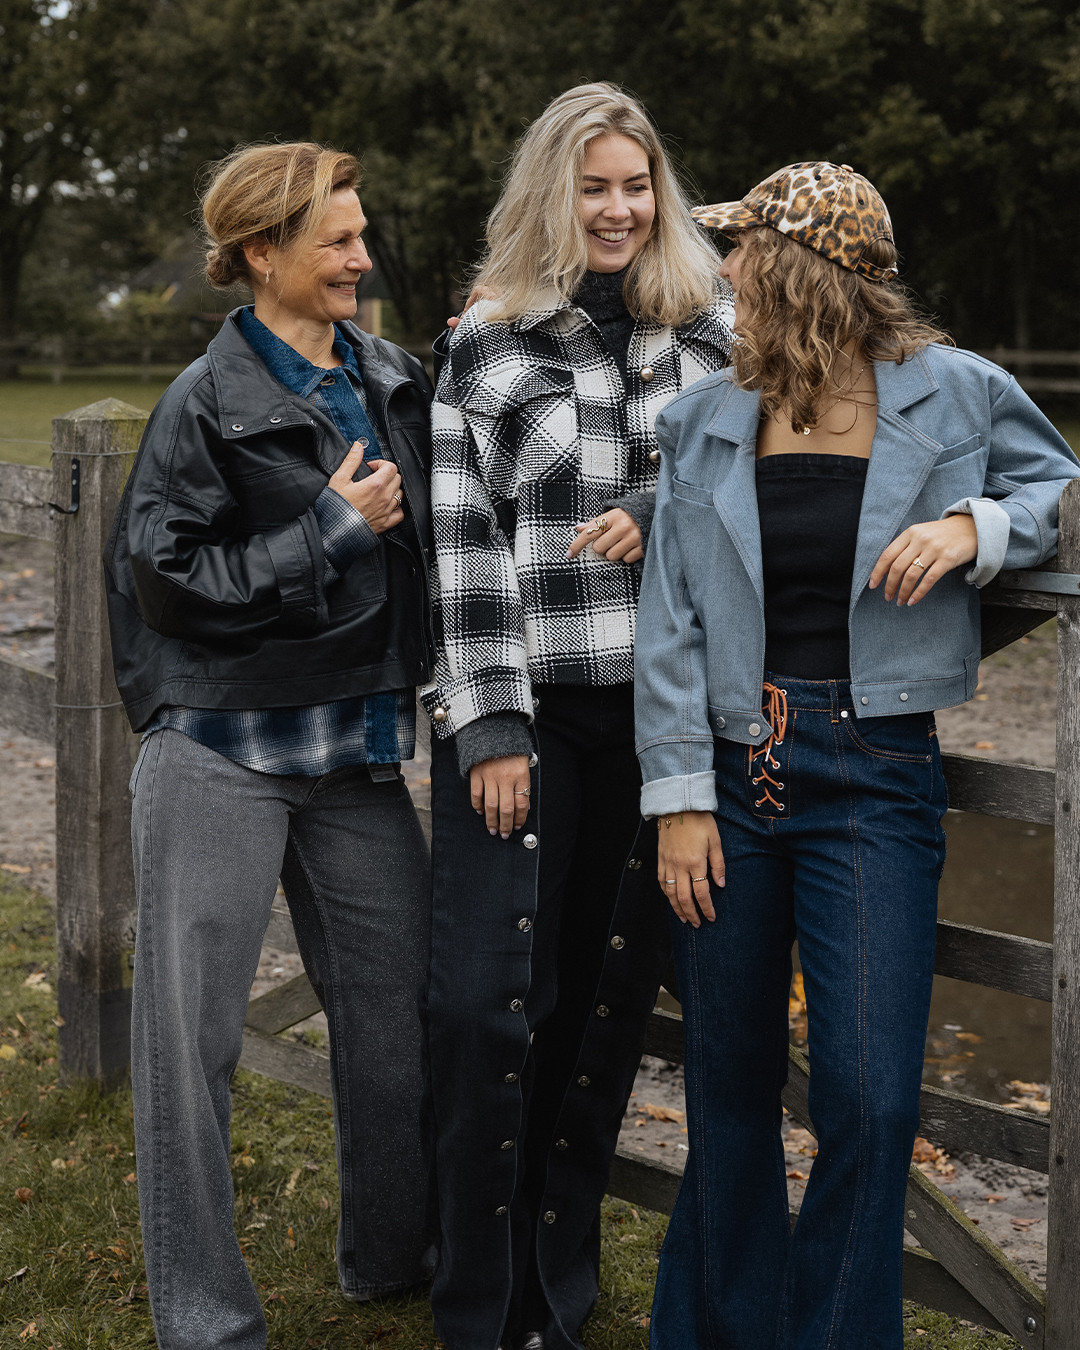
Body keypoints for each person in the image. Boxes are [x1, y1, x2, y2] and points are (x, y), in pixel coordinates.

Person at [633, 161, 1080, 1349]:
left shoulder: (958, 392)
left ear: (799, 266)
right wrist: (679, 798)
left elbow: (1061, 489)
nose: (725, 267)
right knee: (727, 1084)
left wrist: (974, 525)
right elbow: (670, 621)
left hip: (877, 775)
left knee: (872, 1099)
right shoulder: (703, 417)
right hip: (728, 773)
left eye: (742, 247)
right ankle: (719, 1331)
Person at [103, 142, 437, 1350]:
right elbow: (168, 583)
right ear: (261, 252)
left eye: (359, 234)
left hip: (355, 751)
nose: (360, 258)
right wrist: (332, 529)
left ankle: (394, 1262)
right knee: (189, 1053)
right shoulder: (204, 401)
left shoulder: (394, 376)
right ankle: (204, 1321)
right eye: (336, 240)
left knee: (402, 1025)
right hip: (221, 752)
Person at [420, 82, 734, 1350]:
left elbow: (763, 480)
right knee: (491, 1006)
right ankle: (474, 1297)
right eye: (592, 186)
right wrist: (490, 723)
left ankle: (558, 1281)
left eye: (635, 185)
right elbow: (462, 539)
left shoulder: (715, 332)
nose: (617, 209)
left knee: (604, 1005)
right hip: (530, 713)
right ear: (552, 194)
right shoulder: (488, 343)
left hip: (659, 722)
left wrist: (667, 510)